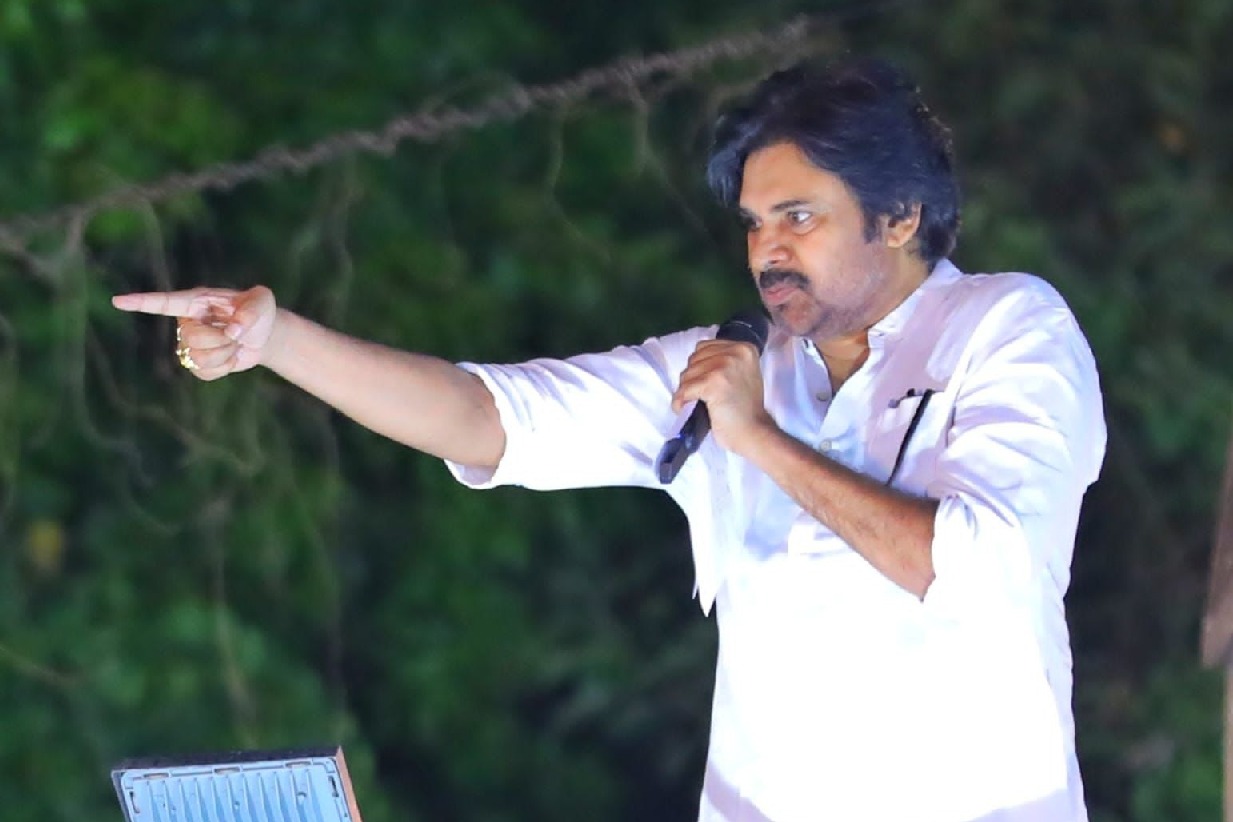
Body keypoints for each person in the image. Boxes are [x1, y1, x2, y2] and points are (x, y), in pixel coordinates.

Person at [113, 57, 1106, 822]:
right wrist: (276, 341)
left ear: (899, 216)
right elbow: (489, 417)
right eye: (754, 223)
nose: (766, 249)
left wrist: (758, 439)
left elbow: (985, 568)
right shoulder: (735, 366)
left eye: (798, 217)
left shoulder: (1005, 328)